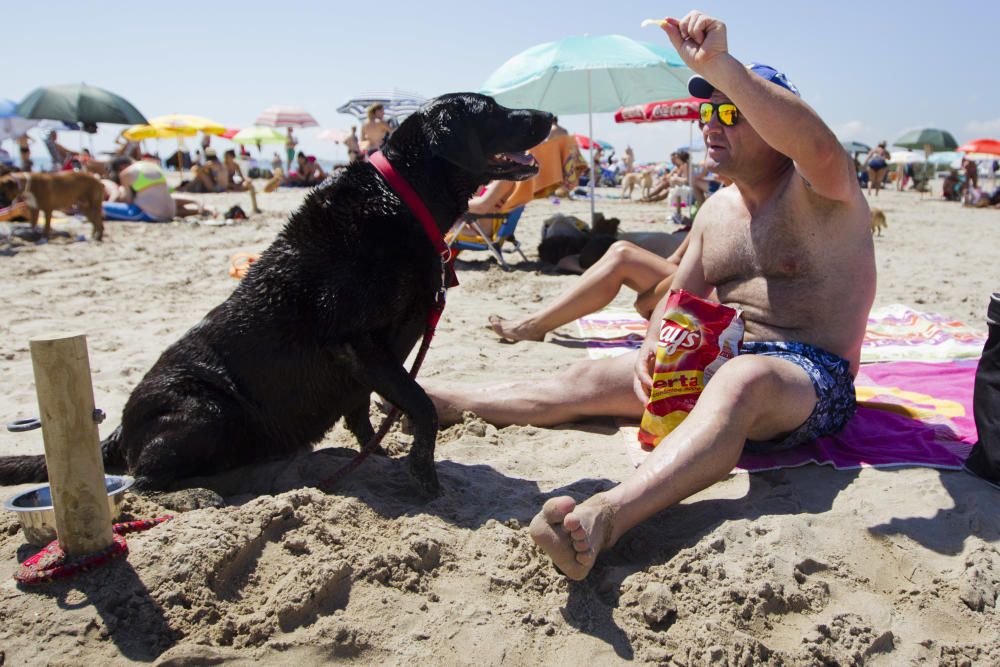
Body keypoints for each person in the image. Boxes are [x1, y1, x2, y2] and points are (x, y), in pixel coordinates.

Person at [426, 12, 875, 581]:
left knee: (742, 382)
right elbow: (676, 300)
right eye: (707, 111)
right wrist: (650, 349)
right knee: (589, 381)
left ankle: (606, 517)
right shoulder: (717, 211)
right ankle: (441, 401)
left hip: (812, 376)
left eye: (732, 112)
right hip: (727, 357)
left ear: (771, 122)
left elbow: (817, 145)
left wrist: (723, 68)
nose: (712, 124)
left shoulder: (822, 193)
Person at [488, 234, 691, 342]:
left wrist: (647, 300)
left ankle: (534, 326)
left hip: (713, 301)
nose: (708, 153)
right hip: (692, 282)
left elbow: (702, 274)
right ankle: (538, 321)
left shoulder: (722, 203)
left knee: (623, 257)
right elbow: (678, 260)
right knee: (621, 250)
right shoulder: (717, 199)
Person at [103, 156, 204, 220]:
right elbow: (169, 194)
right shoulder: (153, 166)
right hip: (170, 213)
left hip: (148, 213)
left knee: (101, 207)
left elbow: (129, 201)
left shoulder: (126, 173)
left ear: (121, 167)